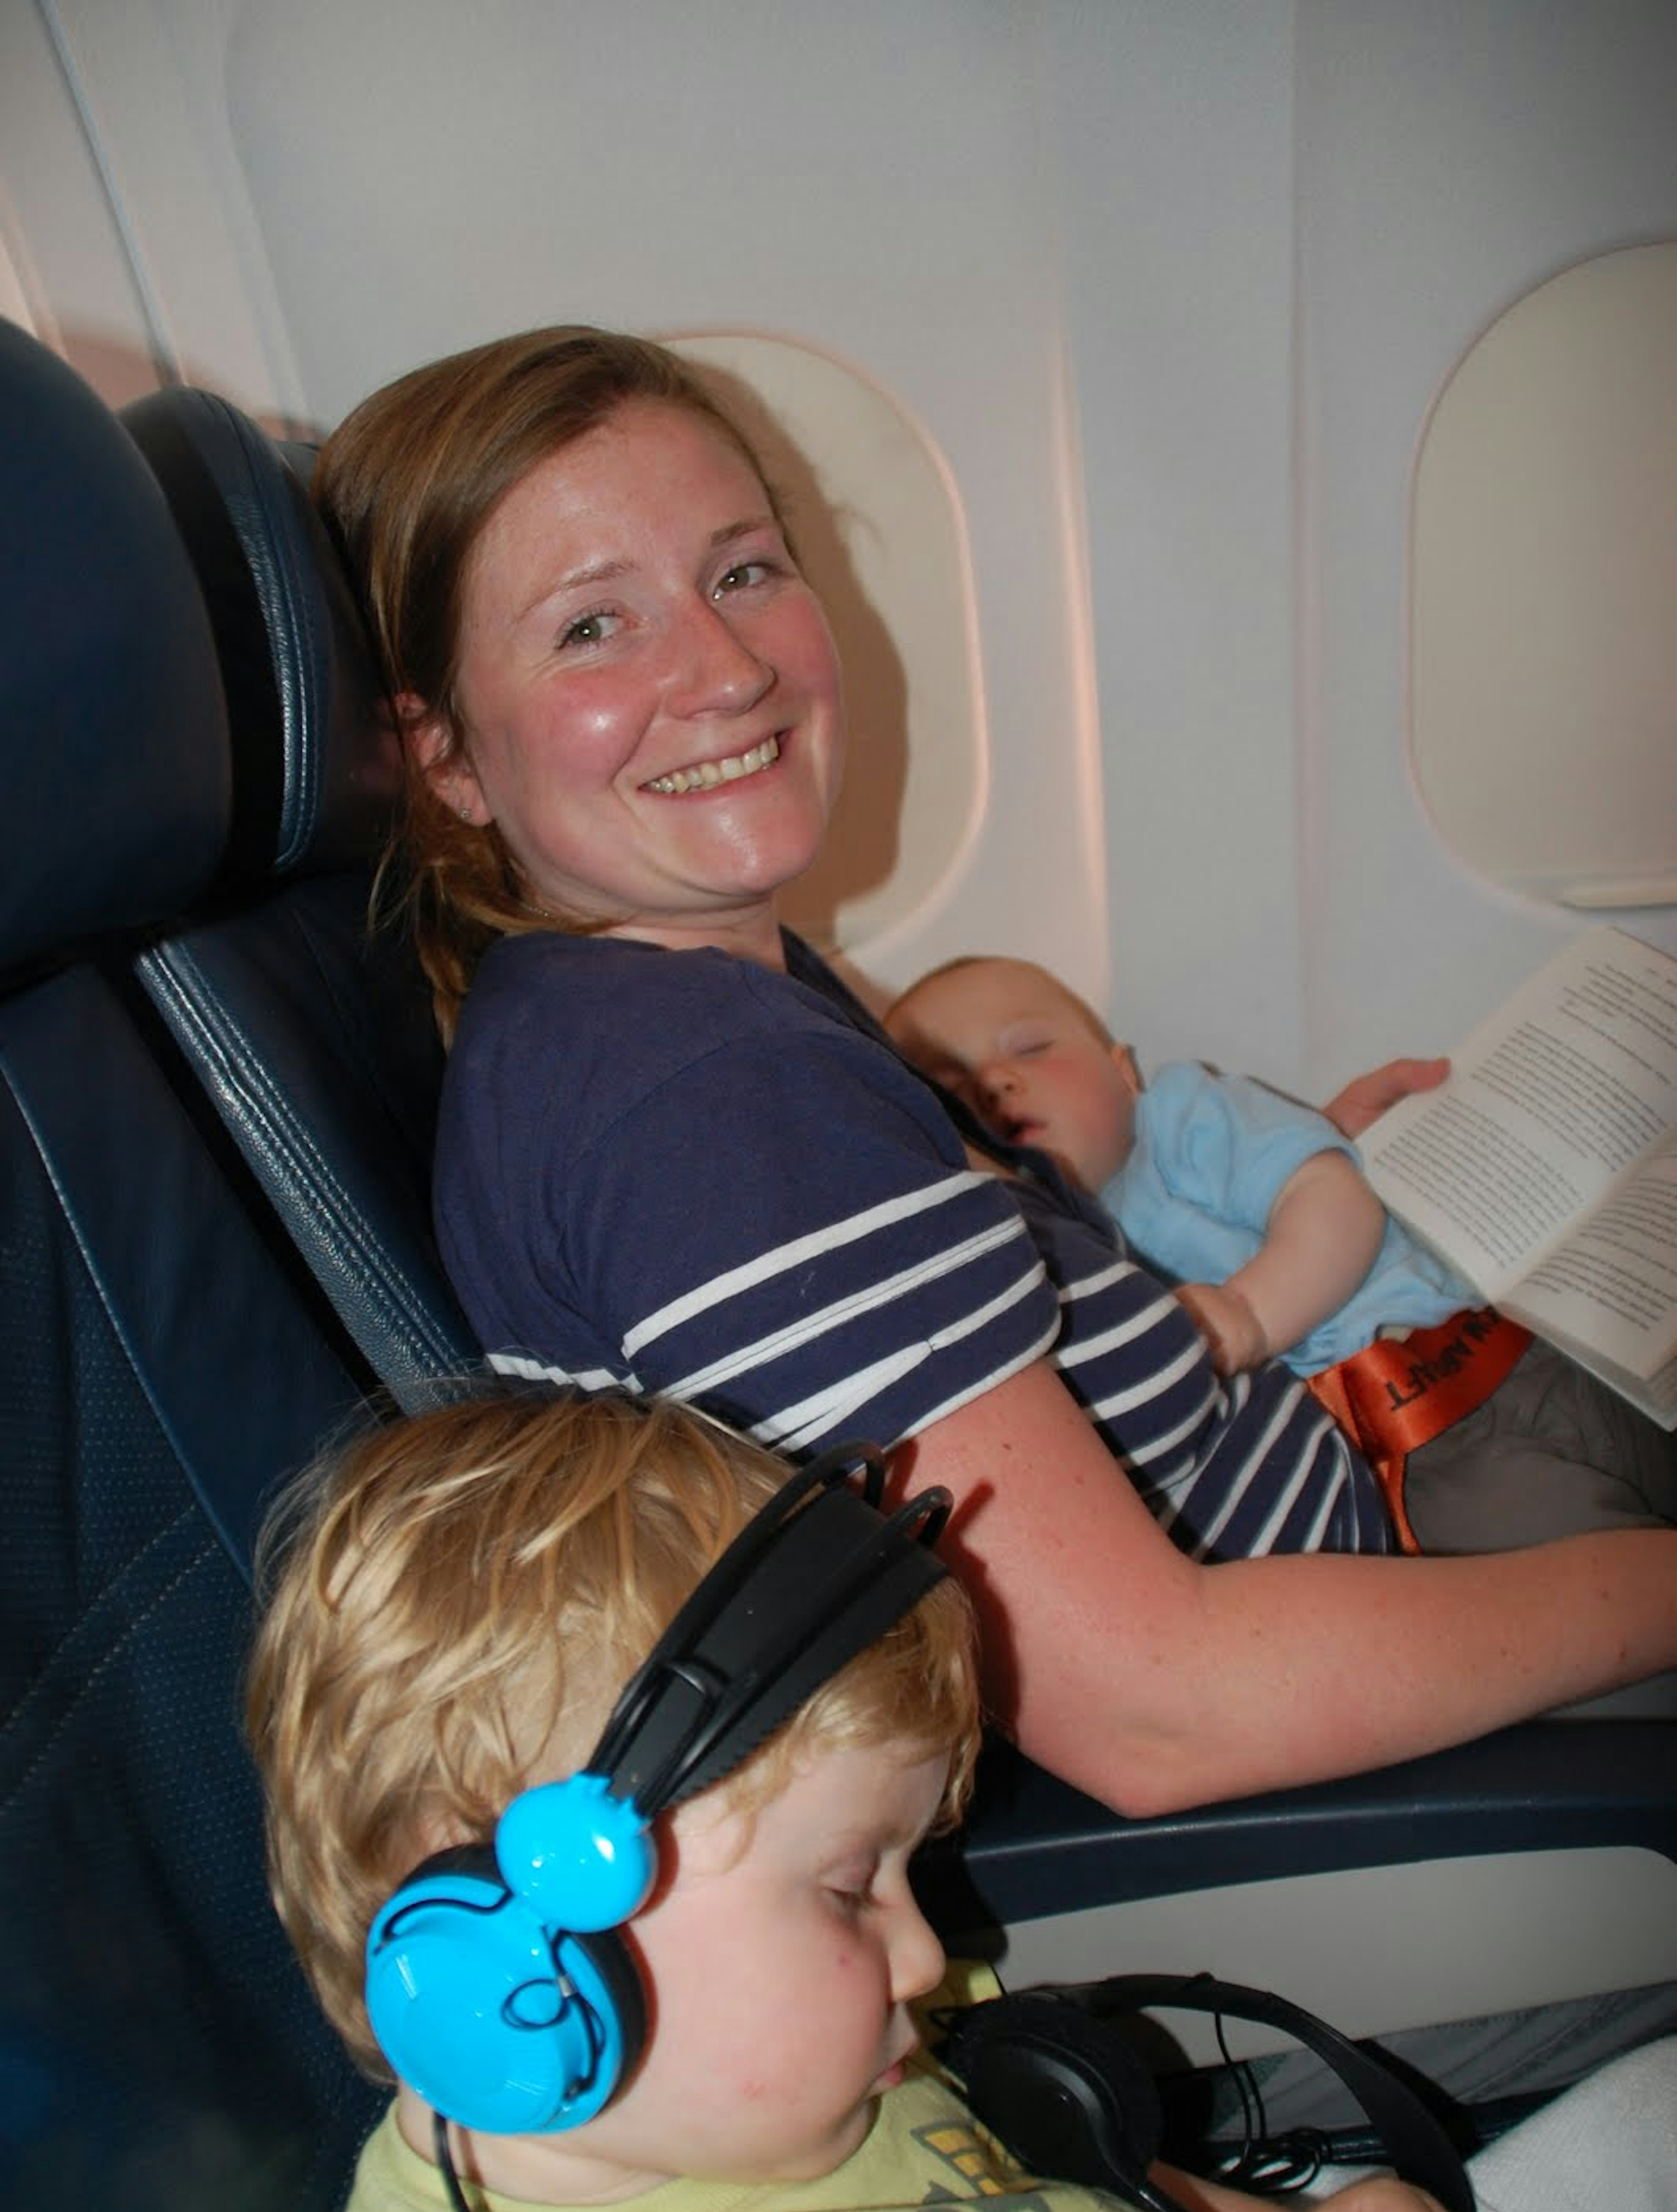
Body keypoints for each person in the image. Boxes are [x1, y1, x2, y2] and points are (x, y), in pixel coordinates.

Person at [310, 323, 1677, 1832]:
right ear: (442, 757)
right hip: (1350, 1798)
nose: (727, 663)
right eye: (590, 628)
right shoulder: (693, 1094)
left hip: (1364, 1577)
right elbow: (1163, 1712)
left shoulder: (682, 1005)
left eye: (744, 569)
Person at [249, 1386, 1556, 2212]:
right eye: (845, 1884)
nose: (928, 1955)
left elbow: (1049, 2195)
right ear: (514, 1947)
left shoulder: (813, 2068)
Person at [883, 953, 1677, 1555]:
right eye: (954, 1086)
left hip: (1505, 1356)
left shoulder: (1181, 1118)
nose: (994, 1081)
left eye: (1029, 1046)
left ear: (1123, 1070)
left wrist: (1246, 1316)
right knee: (1593, 1578)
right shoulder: (1053, 1251)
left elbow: (1333, 1201)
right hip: (1420, 1459)